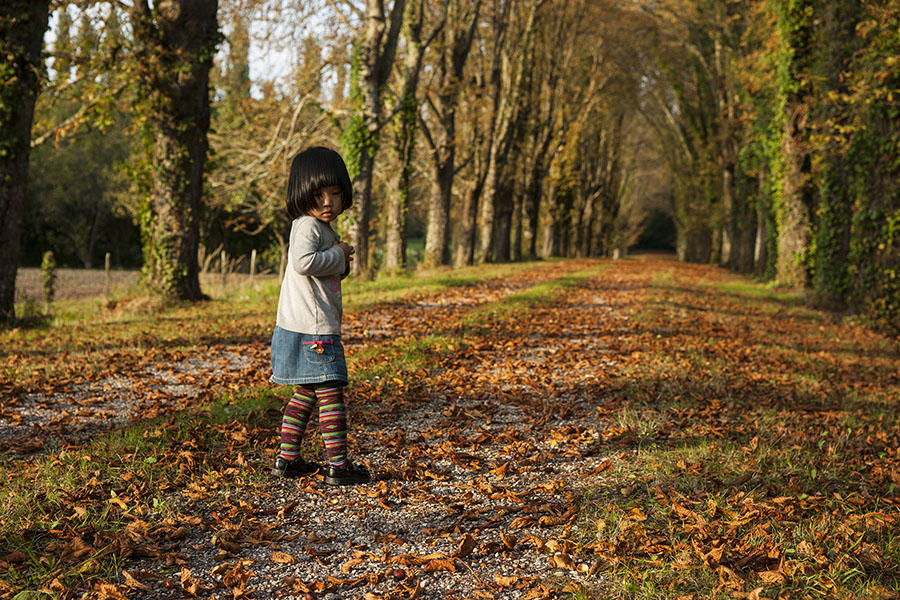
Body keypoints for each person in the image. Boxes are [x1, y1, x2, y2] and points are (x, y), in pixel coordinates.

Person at [269, 146, 370, 486]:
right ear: (301, 194)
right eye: (319, 194)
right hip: (313, 331)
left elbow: (319, 272)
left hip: (298, 328)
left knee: (306, 394)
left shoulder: (318, 227)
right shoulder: (308, 226)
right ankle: (338, 466)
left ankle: (288, 459)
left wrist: (340, 262)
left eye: (336, 193)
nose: (329, 202)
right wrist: (338, 254)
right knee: (331, 395)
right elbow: (304, 263)